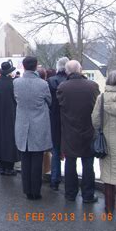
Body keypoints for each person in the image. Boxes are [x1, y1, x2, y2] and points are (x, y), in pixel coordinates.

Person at [57, 60, 100, 203]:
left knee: (70, 163)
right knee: (88, 164)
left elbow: (60, 107)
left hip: (69, 131)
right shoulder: (93, 86)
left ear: (67, 72)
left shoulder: (62, 87)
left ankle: (70, 193)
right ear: (80, 70)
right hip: (88, 130)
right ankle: (88, 195)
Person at [92, 70, 116, 217]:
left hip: (106, 143)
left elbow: (95, 121)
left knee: (108, 177)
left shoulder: (101, 98)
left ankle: (109, 208)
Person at [13, 56, 52, 200]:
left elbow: (16, 99)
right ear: (36, 66)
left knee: (25, 158)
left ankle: (27, 190)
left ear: (23, 66)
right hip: (38, 124)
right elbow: (49, 101)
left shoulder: (16, 83)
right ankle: (36, 191)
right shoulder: (43, 84)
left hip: (22, 124)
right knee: (37, 159)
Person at [0, 61, 19, 176]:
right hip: (10, 116)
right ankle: (9, 168)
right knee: (10, 140)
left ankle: (1, 166)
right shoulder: (13, 83)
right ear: (9, 73)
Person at [47, 57, 69, 190]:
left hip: (54, 119)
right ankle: (70, 180)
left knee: (55, 151)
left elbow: (49, 101)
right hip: (69, 120)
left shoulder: (50, 81)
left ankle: (55, 180)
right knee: (70, 152)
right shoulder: (70, 81)